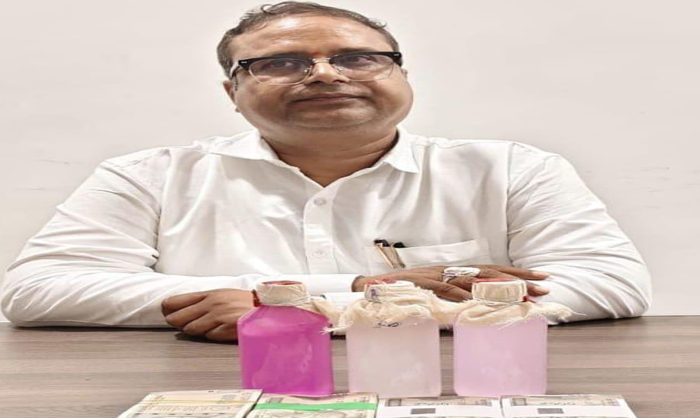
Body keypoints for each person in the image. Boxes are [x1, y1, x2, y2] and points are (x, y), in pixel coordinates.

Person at [0, 1, 651, 341]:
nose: (324, 74)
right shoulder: (150, 176)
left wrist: (318, 307)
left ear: (401, 75)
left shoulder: (510, 168)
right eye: (281, 63)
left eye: (357, 58)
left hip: (450, 392)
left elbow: (610, 283)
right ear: (232, 92)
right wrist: (364, 285)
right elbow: (39, 291)